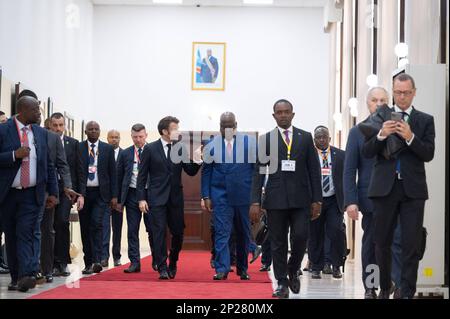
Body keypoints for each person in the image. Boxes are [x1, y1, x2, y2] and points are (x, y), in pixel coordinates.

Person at [362, 73, 435, 299]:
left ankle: (406, 291)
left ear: (414, 93)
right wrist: (382, 135)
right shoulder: (379, 117)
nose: (402, 97)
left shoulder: (425, 120)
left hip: (413, 190)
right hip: (384, 189)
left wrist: (411, 137)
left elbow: (428, 154)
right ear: (393, 92)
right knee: (381, 241)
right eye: (398, 92)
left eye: (406, 93)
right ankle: (386, 286)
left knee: (411, 245)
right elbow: (367, 152)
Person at [250, 99, 322, 299]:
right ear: (274, 116)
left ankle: (293, 268)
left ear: (293, 114)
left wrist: (317, 199)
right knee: (278, 242)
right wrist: (255, 201)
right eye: (279, 112)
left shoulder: (306, 138)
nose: (283, 115)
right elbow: (258, 172)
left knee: (300, 237)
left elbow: (314, 171)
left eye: (286, 111)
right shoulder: (266, 140)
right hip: (275, 199)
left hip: (302, 199)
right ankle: (282, 282)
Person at [344, 87, 403, 299]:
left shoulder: (400, 128)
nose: (379, 104)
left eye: (384, 100)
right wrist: (351, 201)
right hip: (370, 199)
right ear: (368, 104)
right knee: (371, 244)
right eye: (375, 100)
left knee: (396, 242)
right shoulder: (357, 132)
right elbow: (349, 169)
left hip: (396, 197)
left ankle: (393, 284)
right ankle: (371, 286)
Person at [0, 96, 58, 292]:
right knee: (11, 235)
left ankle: (29, 273)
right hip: (7, 194)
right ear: (23, 110)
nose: (39, 113)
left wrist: (53, 192)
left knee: (27, 232)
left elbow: (48, 164)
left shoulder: (41, 133)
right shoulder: (3, 130)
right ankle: (16, 277)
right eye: (36, 110)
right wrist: (13, 155)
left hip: (32, 194)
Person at [137, 116, 201, 280]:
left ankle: (173, 261)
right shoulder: (150, 149)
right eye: (175, 128)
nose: (178, 131)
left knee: (178, 233)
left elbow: (191, 171)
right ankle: (162, 267)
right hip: (155, 199)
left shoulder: (180, 148)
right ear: (165, 131)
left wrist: (199, 158)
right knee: (158, 233)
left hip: (175, 199)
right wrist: (141, 199)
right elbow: (142, 177)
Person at [201, 112, 256, 280]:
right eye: (224, 126)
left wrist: (256, 199)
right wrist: (206, 196)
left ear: (236, 125)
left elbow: (255, 172)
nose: (227, 128)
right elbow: (206, 172)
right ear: (219, 127)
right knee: (221, 232)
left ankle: (242, 268)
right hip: (221, 196)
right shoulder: (211, 145)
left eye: (230, 125)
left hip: (243, 196)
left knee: (243, 233)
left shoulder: (249, 143)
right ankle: (222, 268)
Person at [78, 121, 118, 275]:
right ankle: (88, 262)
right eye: (91, 129)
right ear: (86, 131)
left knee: (96, 224)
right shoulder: (79, 147)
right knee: (85, 227)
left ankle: (97, 260)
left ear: (100, 131)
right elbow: (76, 170)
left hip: (102, 194)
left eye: (96, 129)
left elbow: (112, 173)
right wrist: (77, 193)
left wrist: (114, 196)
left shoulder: (107, 149)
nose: (94, 131)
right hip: (84, 194)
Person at [117, 124, 155, 273]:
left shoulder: (153, 151)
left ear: (146, 136)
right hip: (132, 195)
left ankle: (157, 260)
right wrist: (119, 199)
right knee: (132, 230)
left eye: (140, 136)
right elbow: (119, 177)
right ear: (131, 136)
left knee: (152, 229)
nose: (138, 140)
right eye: (135, 137)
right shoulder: (125, 154)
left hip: (150, 195)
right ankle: (134, 262)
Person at [49, 112, 84, 278]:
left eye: (60, 125)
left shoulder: (73, 144)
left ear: (65, 126)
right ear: (49, 125)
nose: (58, 129)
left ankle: (62, 262)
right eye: (55, 125)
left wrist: (78, 193)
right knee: (48, 226)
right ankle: (49, 263)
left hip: (65, 191)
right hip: (48, 189)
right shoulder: (45, 140)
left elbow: (78, 169)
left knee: (62, 223)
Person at [308, 126, 345, 280]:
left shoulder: (341, 155)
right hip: (315, 201)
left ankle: (336, 265)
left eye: (324, 137)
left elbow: (346, 177)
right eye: (318, 137)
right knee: (315, 233)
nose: (321, 140)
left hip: (334, 200)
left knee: (335, 231)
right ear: (314, 140)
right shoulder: (308, 156)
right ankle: (316, 266)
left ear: (330, 138)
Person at [101, 129, 123, 267]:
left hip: (119, 199)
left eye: (116, 137)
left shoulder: (124, 154)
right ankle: (104, 256)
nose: (114, 139)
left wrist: (120, 199)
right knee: (104, 228)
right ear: (107, 138)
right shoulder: (101, 153)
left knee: (117, 228)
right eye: (111, 137)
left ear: (119, 139)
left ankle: (116, 256)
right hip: (104, 197)